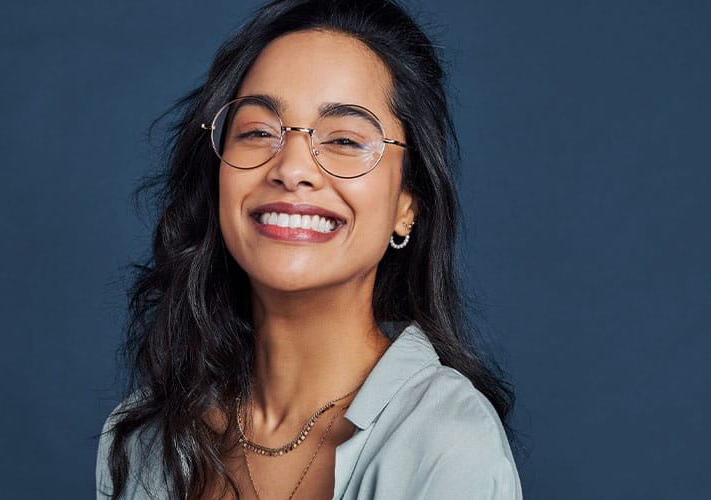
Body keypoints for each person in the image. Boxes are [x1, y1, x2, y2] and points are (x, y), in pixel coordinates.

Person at [95, 0, 522, 498]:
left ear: (407, 204)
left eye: (344, 139)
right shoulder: (140, 436)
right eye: (257, 132)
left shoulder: (444, 440)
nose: (291, 167)